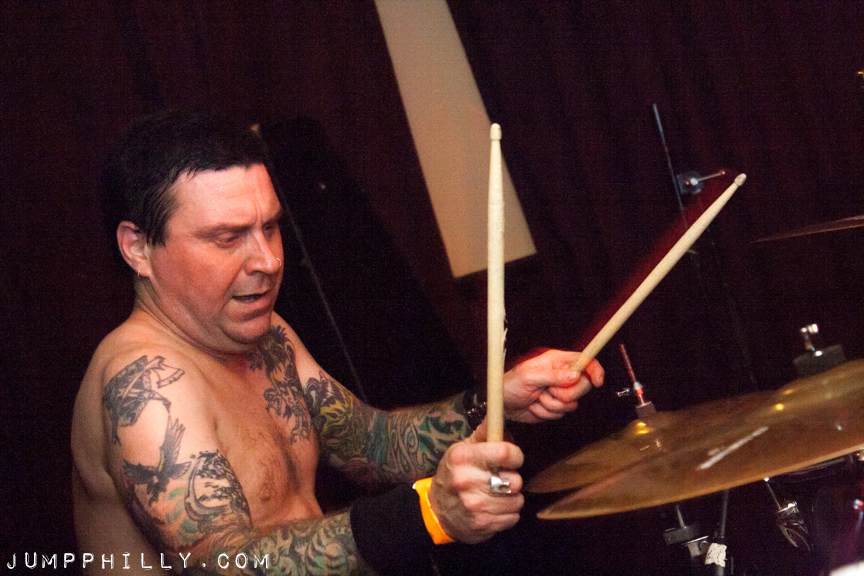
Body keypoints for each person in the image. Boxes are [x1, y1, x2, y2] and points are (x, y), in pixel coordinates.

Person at [71, 110, 604, 576]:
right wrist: (428, 514)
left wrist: (497, 400)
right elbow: (226, 564)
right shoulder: (144, 384)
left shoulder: (265, 337)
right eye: (228, 238)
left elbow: (373, 445)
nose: (268, 261)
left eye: (270, 228)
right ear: (138, 248)